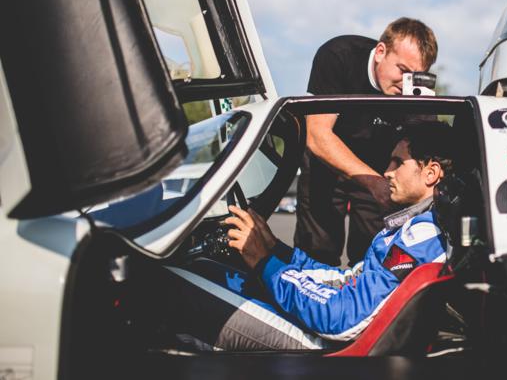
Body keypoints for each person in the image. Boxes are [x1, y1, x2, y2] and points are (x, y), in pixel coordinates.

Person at [160, 121, 454, 351]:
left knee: (172, 281)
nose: (387, 172)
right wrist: (276, 251)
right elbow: (346, 281)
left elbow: (343, 318)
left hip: (327, 345)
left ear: (431, 173)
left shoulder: (422, 237)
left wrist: (265, 264)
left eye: (398, 162)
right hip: (325, 328)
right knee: (203, 270)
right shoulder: (414, 227)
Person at [297, 18, 439, 266]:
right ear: (380, 52)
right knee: (316, 252)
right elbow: (317, 136)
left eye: (415, 77)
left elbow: (422, 146)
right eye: (402, 71)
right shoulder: (339, 56)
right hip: (325, 162)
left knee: (371, 256)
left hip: (379, 166)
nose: (406, 83)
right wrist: (374, 182)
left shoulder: (414, 89)